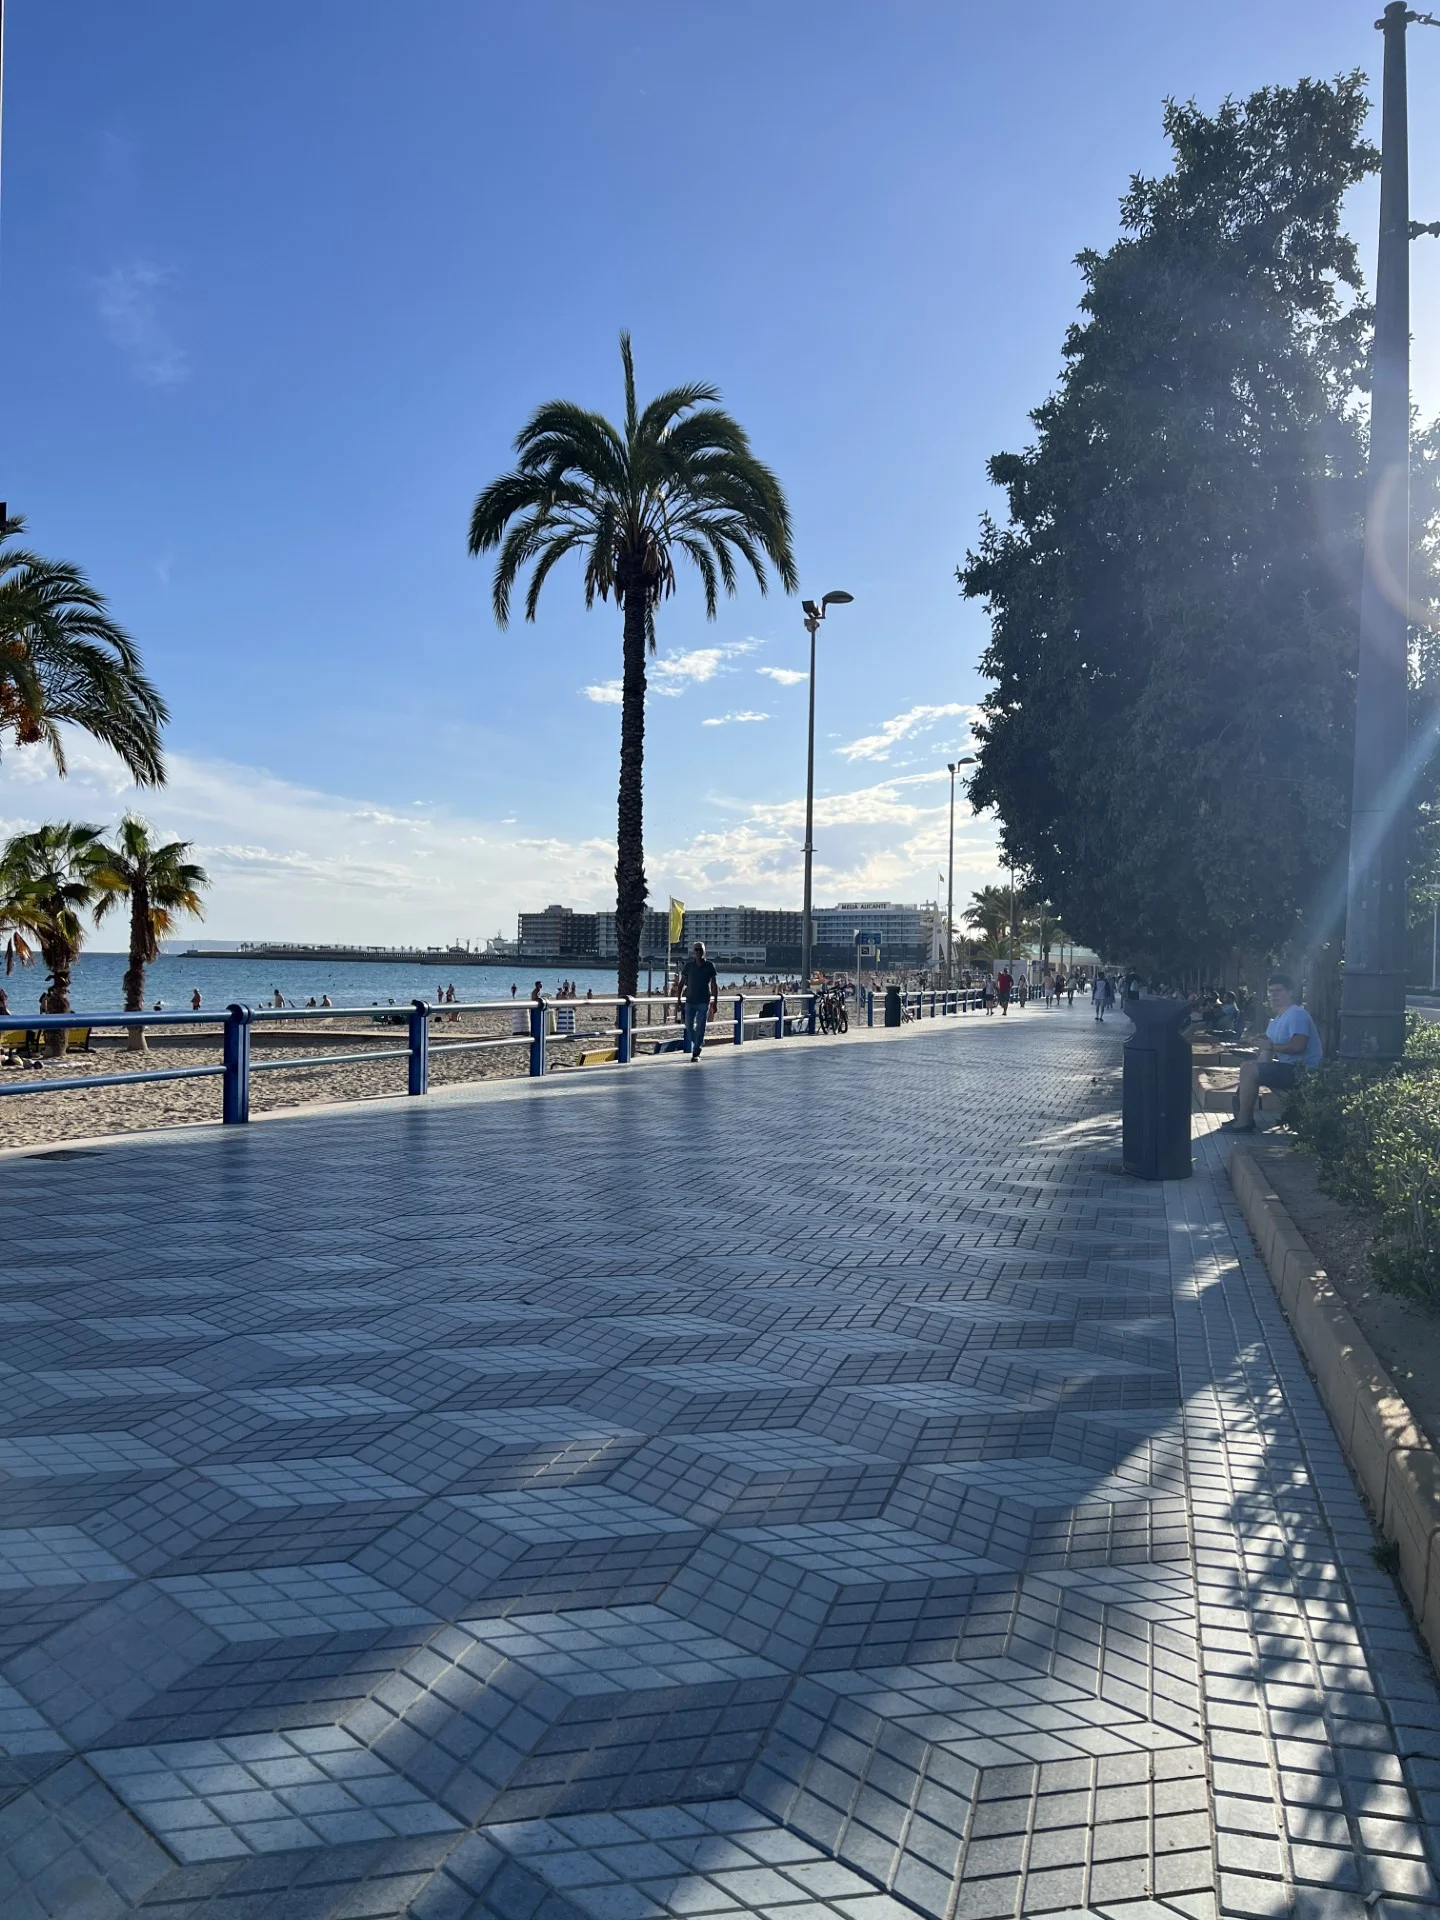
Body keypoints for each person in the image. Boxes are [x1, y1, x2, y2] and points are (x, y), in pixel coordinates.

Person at [1221, 972, 1322, 1133]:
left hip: (1303, 1071)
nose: (1273, 995)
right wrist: (1258, 1059)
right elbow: (1267, 1052)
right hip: (1287, 1068)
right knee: (1247, 1067)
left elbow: (1298, 1046)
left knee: (1249, 1070)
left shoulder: (1296, 1014)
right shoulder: (1276, 1020)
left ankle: (1244, 1123)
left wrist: (1270, 1047)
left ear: (1291, 992)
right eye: (1271, 991)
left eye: (1278, 990)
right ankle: (1241, 1117)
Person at [675, 939, 718, 1061]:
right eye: (696, 949)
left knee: (701, 1026)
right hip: (690, 1001)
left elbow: (714, 984)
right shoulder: (689, 966)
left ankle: (696, 1052)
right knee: (688, 1025)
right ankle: (698, 1041)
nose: (698, 952)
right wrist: (678, 1000)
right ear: (693, 952)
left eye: (700, 950)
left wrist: (715, 1001)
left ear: (704, 952)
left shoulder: (709, 965)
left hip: (704, 1001)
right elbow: (681, 983)